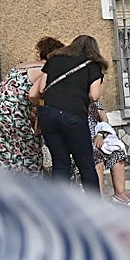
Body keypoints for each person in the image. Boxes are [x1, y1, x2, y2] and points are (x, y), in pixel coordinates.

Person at [29, 34, 106, 193]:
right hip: (73, 115)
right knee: (85, 163)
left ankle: (61, 208)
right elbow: (94, 95)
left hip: (47, 115)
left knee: (60, 162)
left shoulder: (54, 59)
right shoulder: (93, 66)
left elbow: (41, 88)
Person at [0, 36, 63, 175]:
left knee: (1, 151)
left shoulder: (24, 65)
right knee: (29, 148)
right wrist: (39, 108)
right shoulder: (47, 69)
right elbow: (36, 95)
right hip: (12, 112)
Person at [93, 119, 130, 208]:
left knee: (118, 155)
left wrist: (100, 134)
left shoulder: (95, 105)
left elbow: (104, 119)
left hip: (99, 136)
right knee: (98, 160)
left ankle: (119, 195)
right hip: (82, 139)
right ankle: (100, 200)